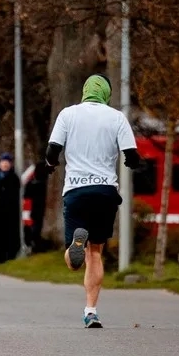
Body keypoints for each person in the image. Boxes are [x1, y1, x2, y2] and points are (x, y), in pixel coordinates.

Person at [43, 74, 141, 329]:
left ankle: (76, 241)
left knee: (73, 260)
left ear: (85, 91)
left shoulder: (68, 114)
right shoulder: (117, 117)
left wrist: (51, 164)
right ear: (107, 94)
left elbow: (53, 149)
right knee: (95, 253)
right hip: (105, 191)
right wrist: (131, 164)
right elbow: (131, 155)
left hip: (76, 190)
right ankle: (91, 311)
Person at [0, 154, 23, 262]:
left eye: (7, 162)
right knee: (0, 237)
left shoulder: (14, 177)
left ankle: (11, 257)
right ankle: (1, 258)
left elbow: (15, 193)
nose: (5, 164)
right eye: (3, 162)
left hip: (11, 212)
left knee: (11, 236)